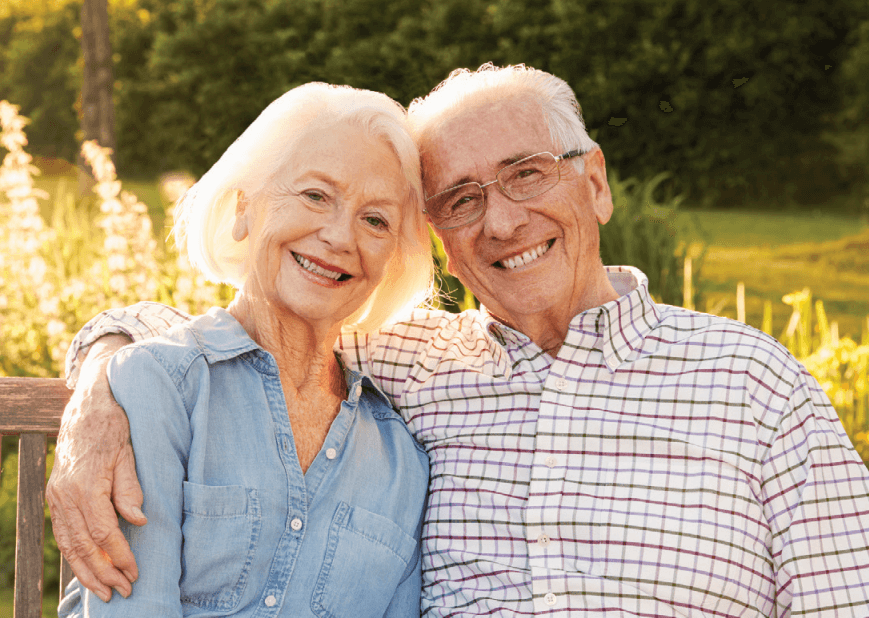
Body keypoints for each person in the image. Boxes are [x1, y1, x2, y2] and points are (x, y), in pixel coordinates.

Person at [49, 64, 869, 616]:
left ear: (593, 182)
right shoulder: (418, 365)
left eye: (525, 174)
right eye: (462, 198)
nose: (503, 220)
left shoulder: (750, 382)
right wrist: (102, 382)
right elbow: (245, 333)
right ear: (438, 235)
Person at [54, 82, 434, 617]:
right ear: (243, 210)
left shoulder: (403, 459)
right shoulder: (162, 386)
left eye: (375, 220)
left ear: (392, 259)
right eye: (315, 195)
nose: (340, 236)